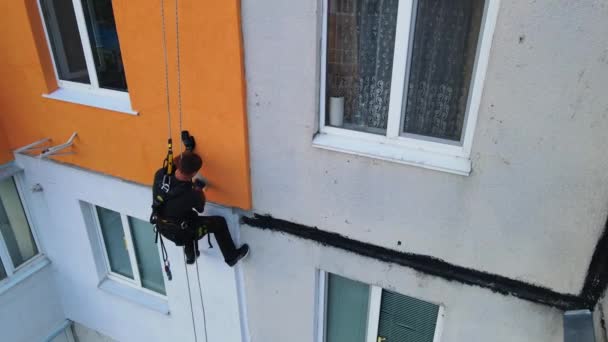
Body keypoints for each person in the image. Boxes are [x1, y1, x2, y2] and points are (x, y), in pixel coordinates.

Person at [152, 151, 249, 266]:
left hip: (162, 227)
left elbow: (175, 166)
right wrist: (198, 190)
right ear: (193, 173)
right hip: (181, 232)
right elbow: (200, 208)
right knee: (218, 223)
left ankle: (191, 256)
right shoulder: (191, 193)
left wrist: (188, 153)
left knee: (187, 219)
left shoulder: (160, 175)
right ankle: (231, 257)